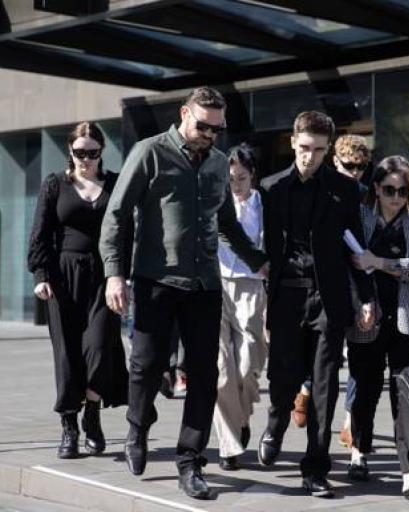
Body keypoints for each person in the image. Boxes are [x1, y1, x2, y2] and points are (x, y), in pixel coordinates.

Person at [99, 86, 267, 500]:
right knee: (146, 366)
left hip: (204, 285)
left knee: (205, 376)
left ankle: (190, 461)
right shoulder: (150, 152)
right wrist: (114, 275)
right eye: (204, 125)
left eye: (218, 128)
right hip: (155, 281)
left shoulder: (215, 165)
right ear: (184, 113)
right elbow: (117, 216)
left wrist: (257, 259)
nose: (211, 134)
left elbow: (225, 221)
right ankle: (137, 427)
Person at [257, 111, 375, 498]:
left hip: (329, 298)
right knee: (283, 379)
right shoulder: (270, 188)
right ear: (293, 142)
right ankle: (275, 423)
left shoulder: (346, 189)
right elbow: (262, 247)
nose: (310, 156)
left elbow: (355, 248)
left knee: (324, 387)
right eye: (304, 148)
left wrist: (365, 297)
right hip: (286, 295)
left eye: (319, 150)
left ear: (328, 149)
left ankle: (316, 469)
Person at [27, 121, 128, 459]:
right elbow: (40, 232)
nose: (85, 159)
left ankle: (93, 416)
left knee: (100, 350)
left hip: (104, 276)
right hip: (63, 278)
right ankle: (69, 427)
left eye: (92, 153)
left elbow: (128, 230)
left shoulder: (114, 184)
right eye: (79, 153)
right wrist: (41, 274)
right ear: (69, 151)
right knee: (68, 355)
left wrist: (123, 274)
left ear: (102, 152)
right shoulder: (55, 184)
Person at [349, 155, 409, 500]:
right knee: (364, 390)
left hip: (407, 321)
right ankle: (359, 453)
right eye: (389, 189)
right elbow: (349, 266)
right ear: (376, 188)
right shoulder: (361, 217)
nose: (396, 196)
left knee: (406, 398)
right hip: (366, 317)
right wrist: (359, 305)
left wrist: (379, 262)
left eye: (403, 189)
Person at [291, 134, 371, 446]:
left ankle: (350, 419)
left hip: (358, 279)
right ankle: (307, 389)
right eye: (350, 165)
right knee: (325, 355)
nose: (356, 172)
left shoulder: (366, 193)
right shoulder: (319, 189)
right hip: (325, 285)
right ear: (334, 161)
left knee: (358, 354)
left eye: (362, 166)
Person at [214, 143, 267, 471]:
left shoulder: (265, 204)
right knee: (221, 369)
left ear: (252, 176)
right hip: (216, 285)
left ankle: (241, 417)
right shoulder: (216, 203)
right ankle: (229, 445)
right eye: (231, 178)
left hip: (251, 286)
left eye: (242, 178)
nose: (236, 184)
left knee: (248, 366)